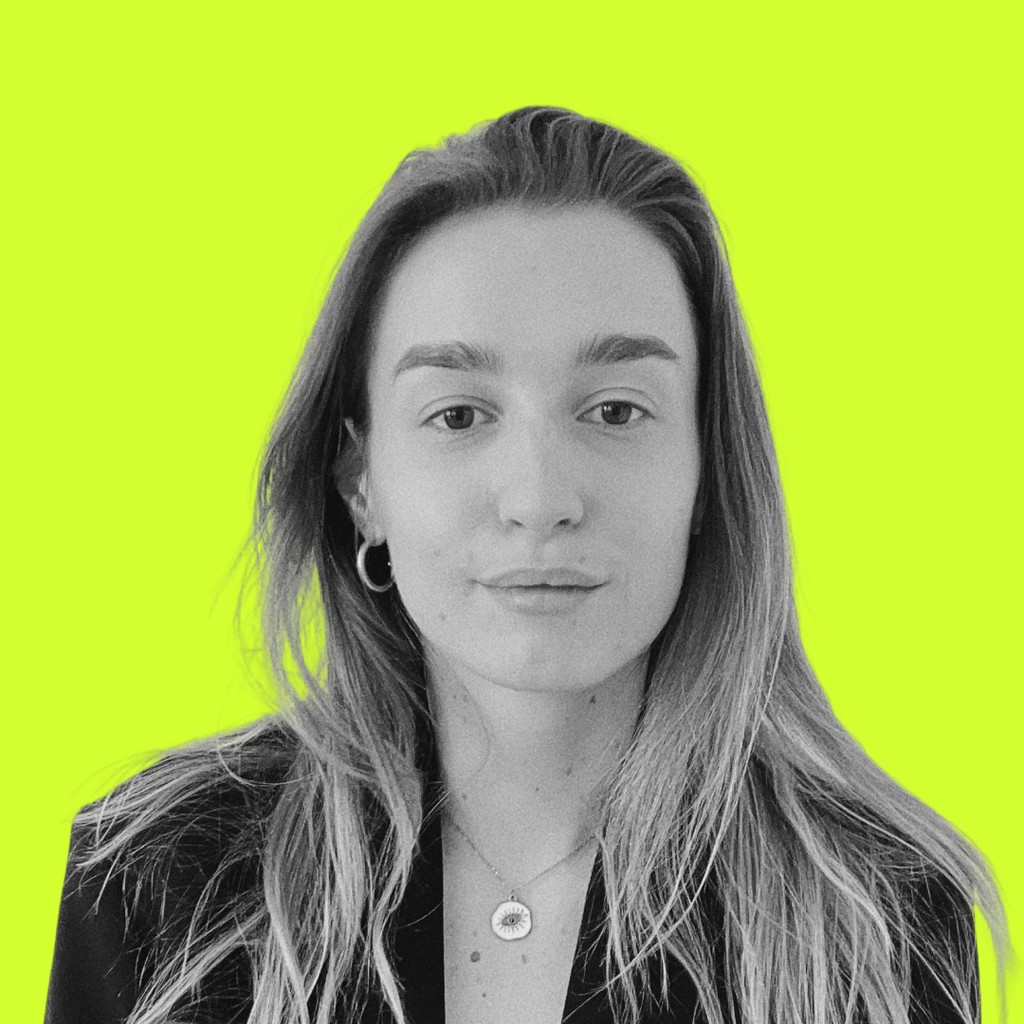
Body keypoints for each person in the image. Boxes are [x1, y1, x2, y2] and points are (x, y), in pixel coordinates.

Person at [45, 106, 1010, 1024]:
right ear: (360, 484)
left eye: (617, 410)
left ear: (708, 472)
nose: (540, 497)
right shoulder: (152, 884)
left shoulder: (878, 913)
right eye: (459, 415)